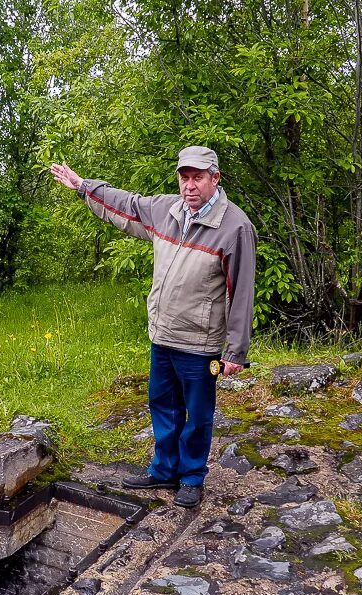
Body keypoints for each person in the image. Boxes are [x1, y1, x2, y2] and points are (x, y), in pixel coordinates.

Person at [50, 146, 256, 508]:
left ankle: (191, 477)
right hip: (163, 336)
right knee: (162, 405)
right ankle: (163, 471)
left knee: (197, 415)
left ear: (215, 179)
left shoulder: (234, 227)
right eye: (184, 177)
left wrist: (236, 351)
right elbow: (125, 204)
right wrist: (84, 186)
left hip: (200, 343)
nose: (190, 186)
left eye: (198, 177)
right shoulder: (167, 210)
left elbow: (240, 290)